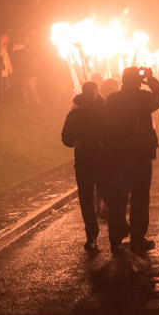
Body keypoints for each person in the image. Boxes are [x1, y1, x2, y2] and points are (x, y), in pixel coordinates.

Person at [104, 67, 159, 253]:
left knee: (118, 200)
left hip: (118, 157)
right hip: (139, 156)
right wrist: (150, 79)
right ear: (137, 81)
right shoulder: (144, 98)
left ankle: (115, 239)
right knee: (140, 200)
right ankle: (137, 240)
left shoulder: (113, 99)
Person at [61, 82, 107, 251]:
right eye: (87, 94)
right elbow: (65, 136)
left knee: (110, 196)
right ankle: (92, 235)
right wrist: (74, 141)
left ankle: (117, 232)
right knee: (86, 200)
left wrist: (105, 143)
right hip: (84, 162)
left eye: (92, 94)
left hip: (103, 162)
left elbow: (114, 133)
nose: (90, 98)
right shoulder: (75, 114)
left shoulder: (106, 112)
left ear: (97, 94)